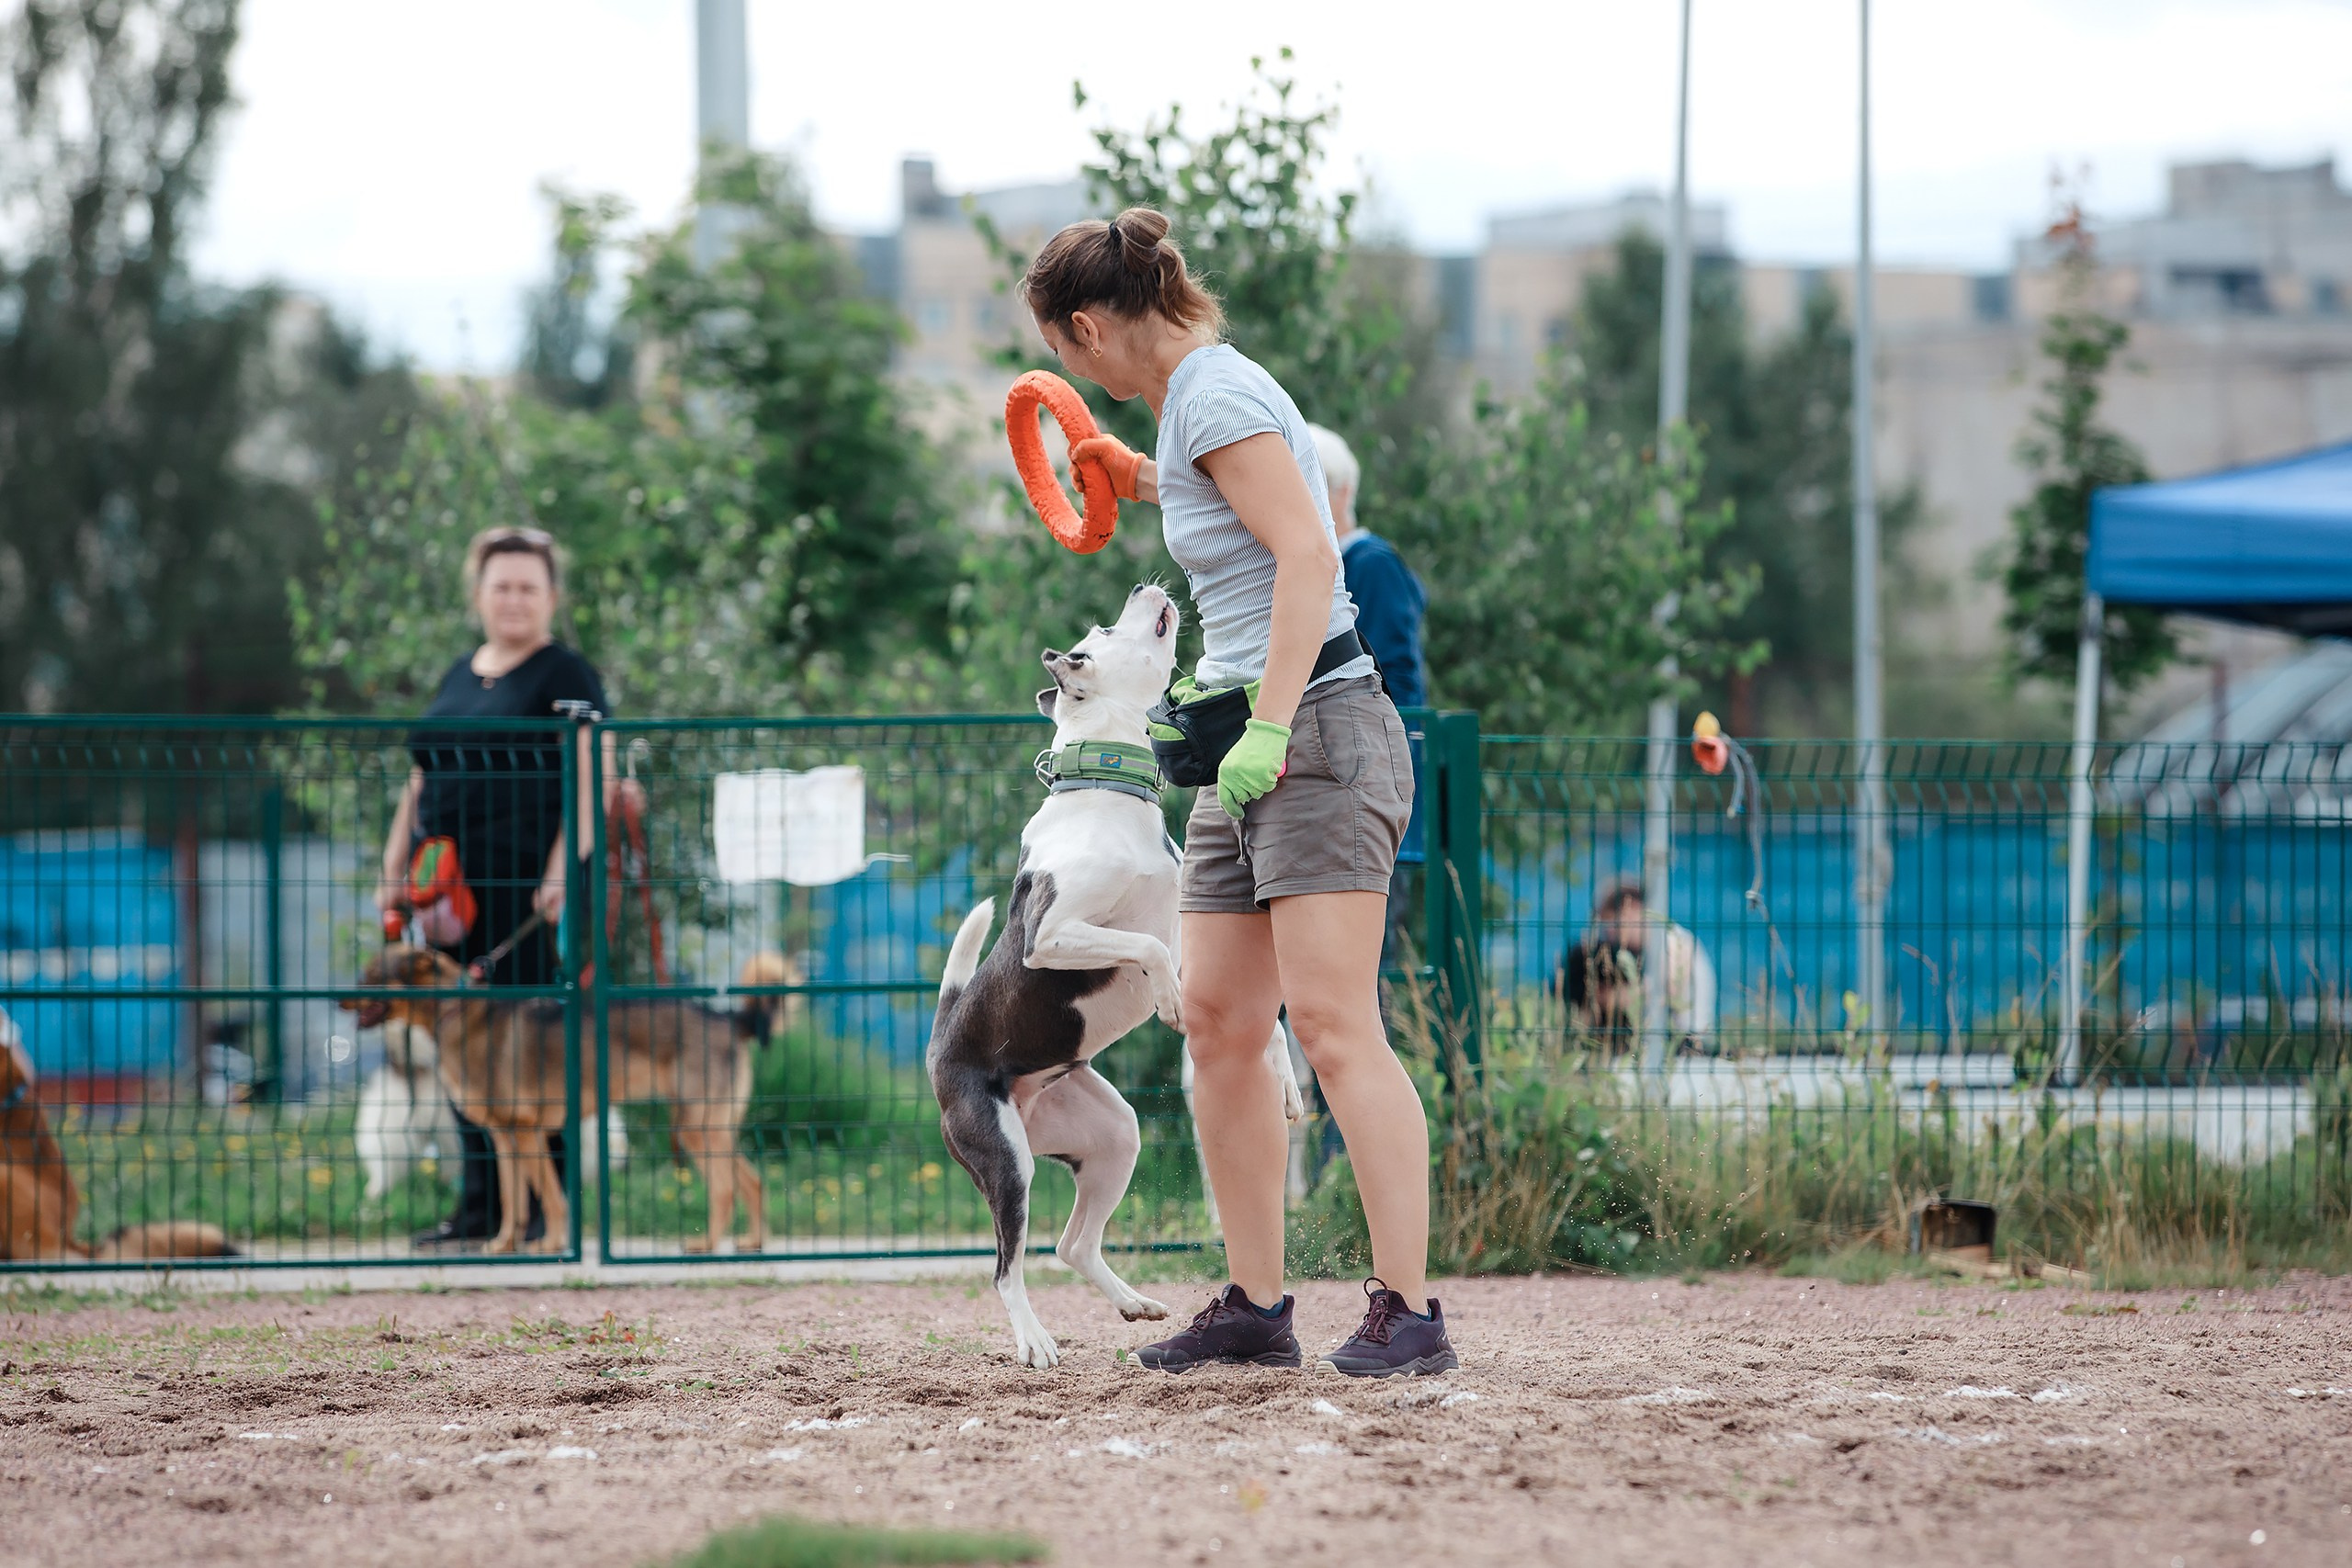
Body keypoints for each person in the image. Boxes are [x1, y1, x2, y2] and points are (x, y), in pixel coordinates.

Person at [1026, 207, 1456, 1376]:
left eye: (1066, 355)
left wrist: (1268, 726)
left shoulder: (1210, 395)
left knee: (1329, 1026)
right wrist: (1138, 477)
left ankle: (1409, 1313)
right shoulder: (1188, 412)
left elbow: (1312, 557)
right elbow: (1243, 519)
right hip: (1242, 745)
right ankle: (1258, 1307)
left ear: (1082, 331)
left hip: (1312, 730)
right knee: (1217, 1024)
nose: (1074, 375)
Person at [375, 526, 622, 1249]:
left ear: (550, 596)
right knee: (460, 1049)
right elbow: (421, 777)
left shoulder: (564, 673)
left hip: (522, 889)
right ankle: (480, 1208)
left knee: (526, 1056)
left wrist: (558, 871)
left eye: (527, 586)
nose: (513, 599)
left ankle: (548, 1213)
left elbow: (591, 777)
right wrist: (393, 866)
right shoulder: (460, 672)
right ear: (478, 594)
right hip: (444, 892)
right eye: (501, 585)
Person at [1308, 424, 1426, 710]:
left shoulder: (1371, 563)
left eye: (1317, 487)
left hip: (1373, 737)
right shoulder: (1317, 563)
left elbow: (1393, 668)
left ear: (1345, 493)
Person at [1557, 882, 1718, 1055]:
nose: (1609, 934)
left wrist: (1608, 997)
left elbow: (1661, 995)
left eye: (1611, 924)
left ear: (1632, 909)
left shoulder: (1674, 941)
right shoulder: (1644, 951)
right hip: (1660, 1040)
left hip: (1686, 1043)